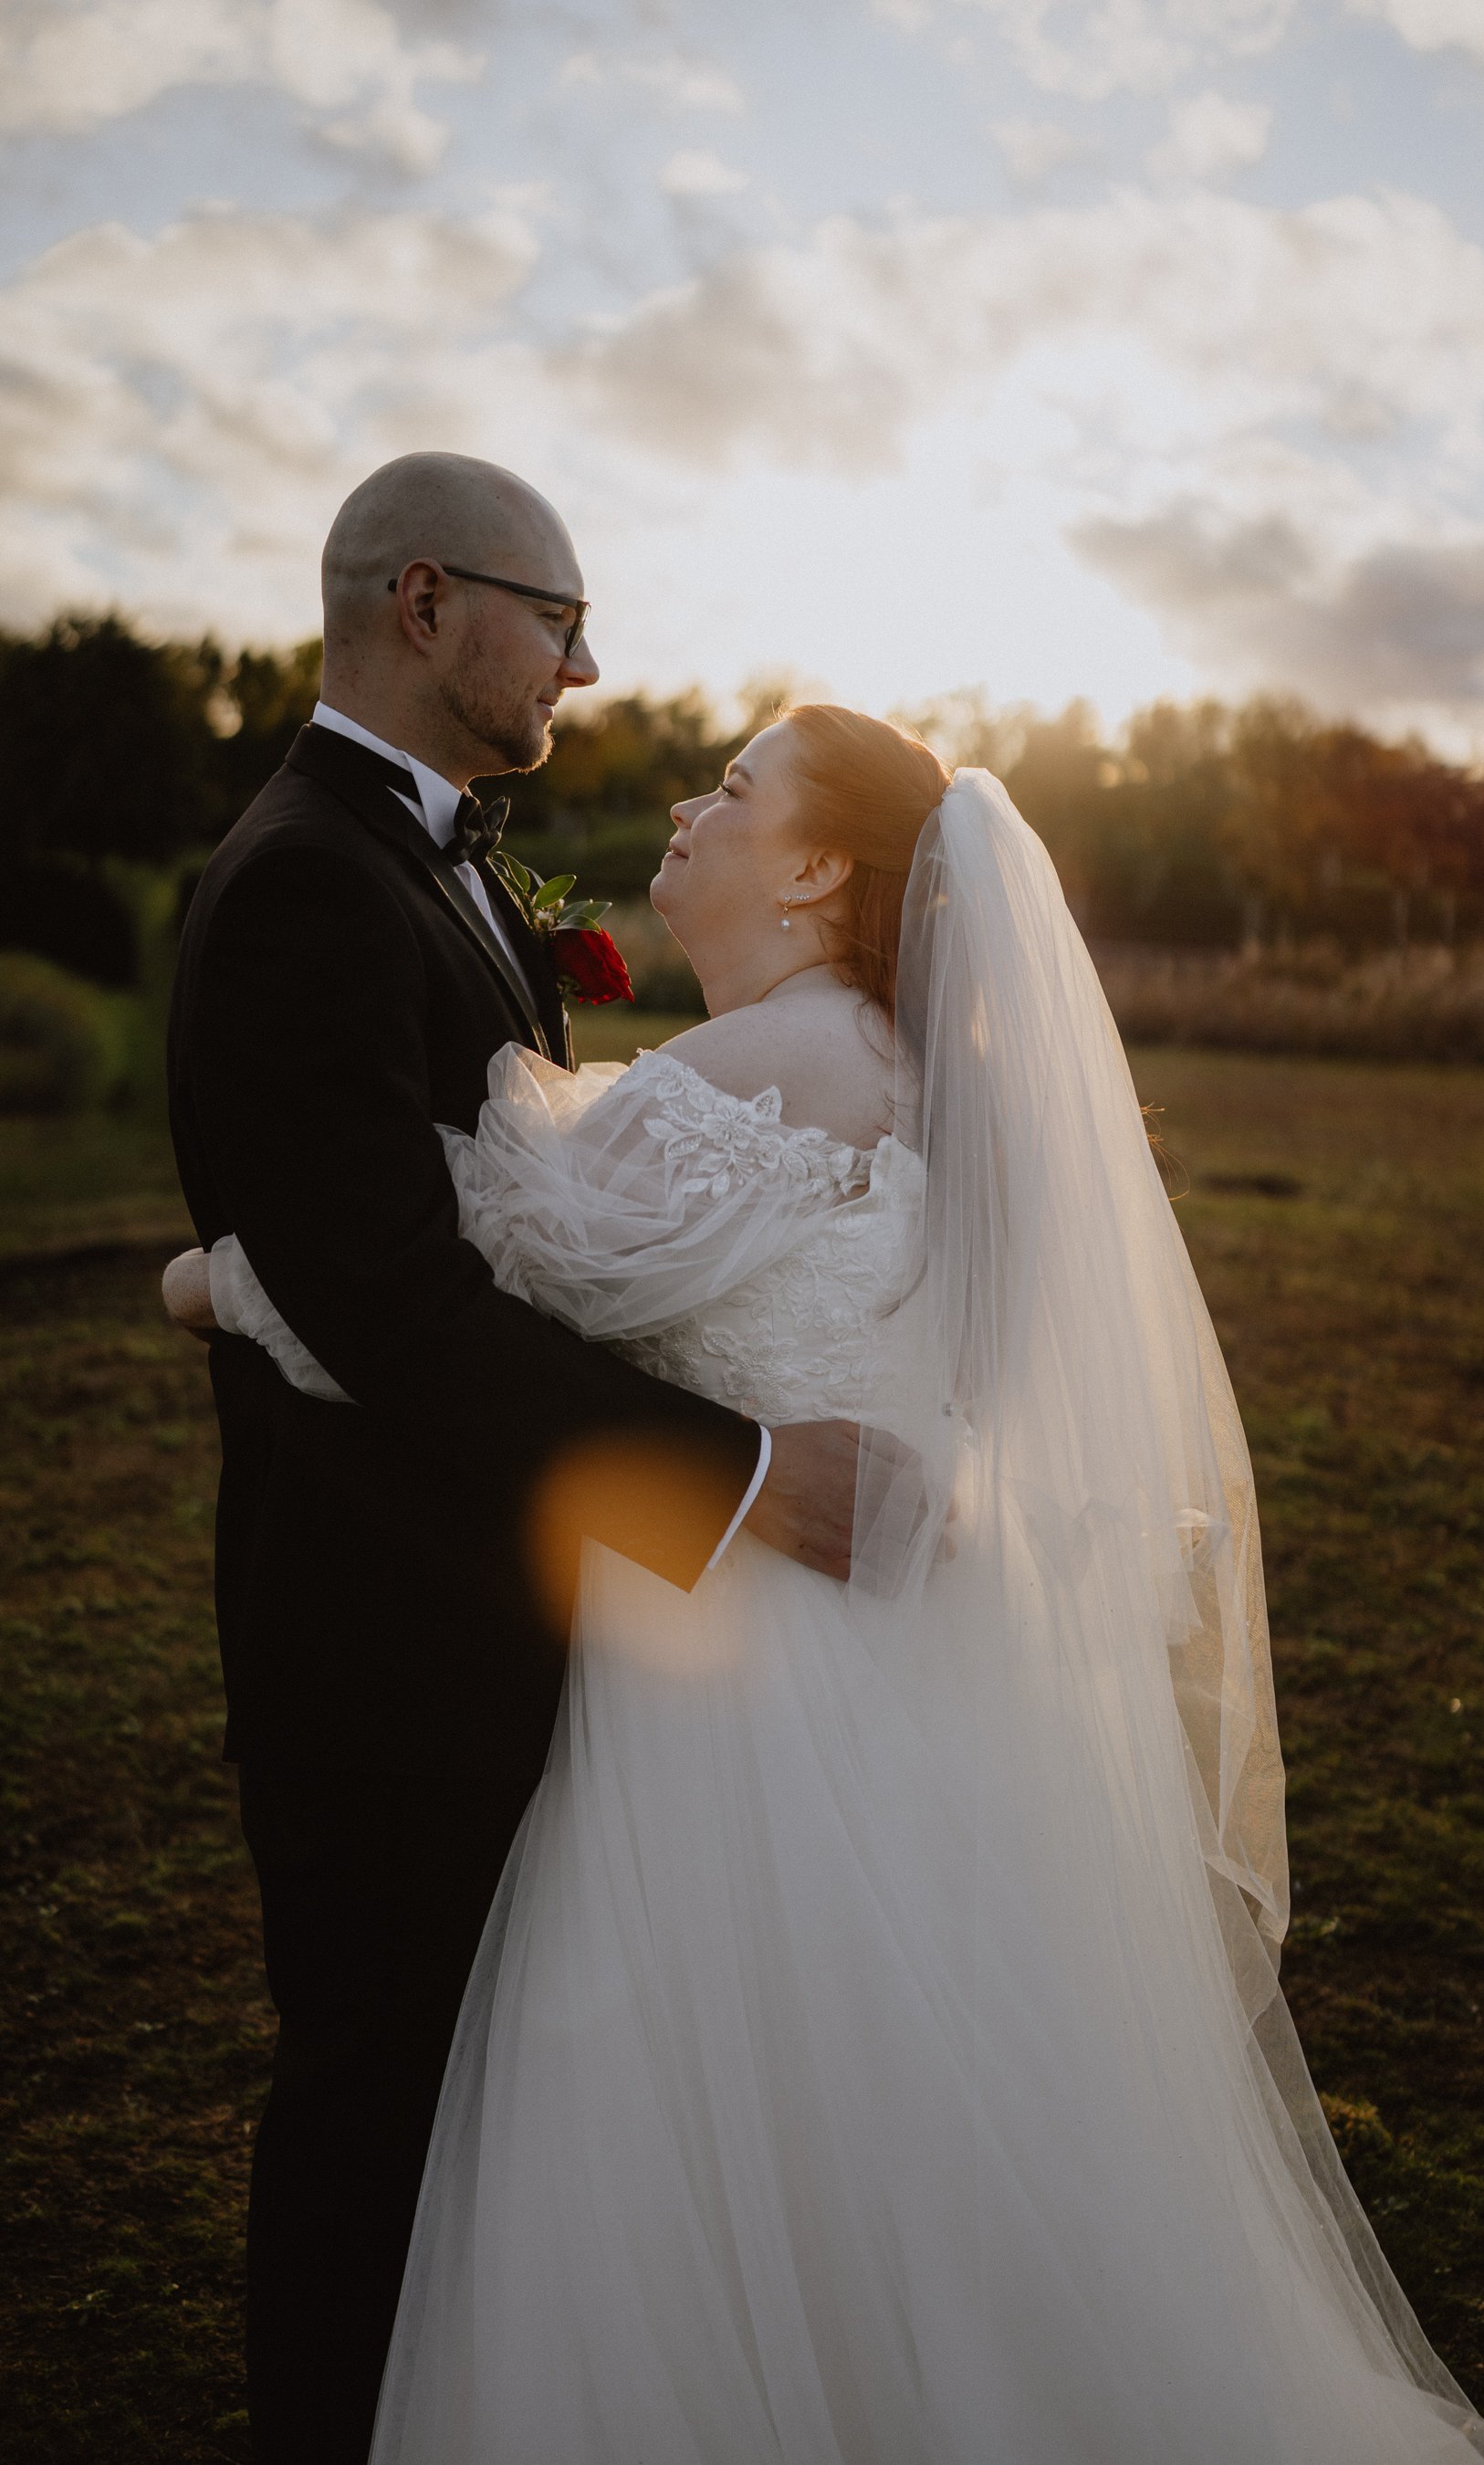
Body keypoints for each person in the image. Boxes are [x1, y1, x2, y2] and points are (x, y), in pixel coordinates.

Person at [172, 703, 1484, 2463]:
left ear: (820, 868)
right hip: (911, 1665)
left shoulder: (763, 1070)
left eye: (733, 789)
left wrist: (209, 1283)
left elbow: (447, 1294)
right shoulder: (903, 1061)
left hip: (750, 1690)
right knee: (907, 2137)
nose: (687, 801)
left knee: (723, 2114)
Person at [162, 454, 862, 2465]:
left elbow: (501, 1227)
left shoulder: (451, 860)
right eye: (561, 618)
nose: (587, 656)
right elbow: (400, 1311)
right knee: (379, 2114)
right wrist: (735, 1479)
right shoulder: (306, 877)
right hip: (377, 1642)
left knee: (496, 2127)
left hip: (492, 1617)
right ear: (428, 602)